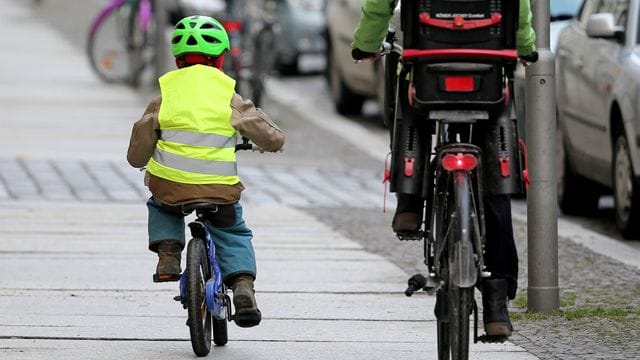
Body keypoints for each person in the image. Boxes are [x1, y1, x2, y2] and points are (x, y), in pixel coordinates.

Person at [351, 0, 537, 338]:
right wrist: (525, 47)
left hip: (426, 63)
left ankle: (409, 201)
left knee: (410, 105)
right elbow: (518, 7)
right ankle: (496, 303)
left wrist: (365, 45)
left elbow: (379, 5)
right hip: (490, 67)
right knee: (495, 174)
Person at [127, 15, 285, 328]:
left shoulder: (165, 95)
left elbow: (138, 151)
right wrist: (270, 143)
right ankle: (242, 285)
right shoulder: (229, 96)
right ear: (222, 58)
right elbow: (270, 136)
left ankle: (168, 254)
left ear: (176, 60)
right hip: (220, 191)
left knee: (160, 204)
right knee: (233, 230)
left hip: (170, 188)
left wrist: (144, 154)